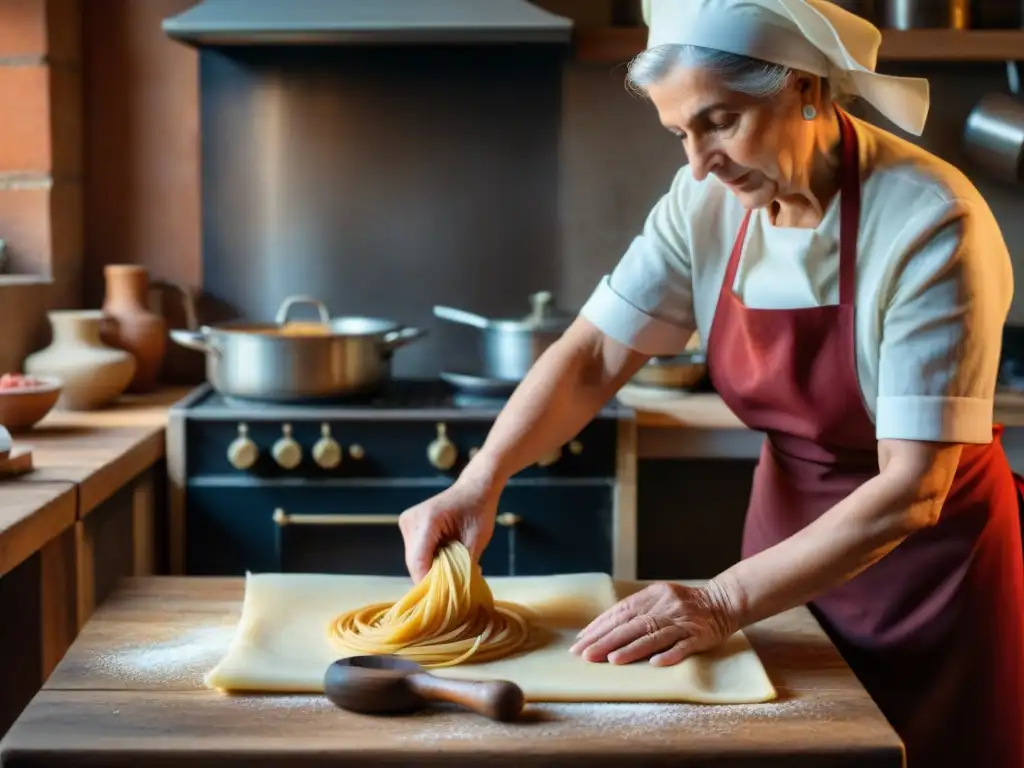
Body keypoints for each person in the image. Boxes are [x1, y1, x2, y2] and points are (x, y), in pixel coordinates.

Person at [398, 0, 1024, 764]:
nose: (698, 163)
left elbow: (914, 487)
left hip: (928, 582)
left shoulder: (931, 221)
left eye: (720, 122)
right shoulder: (704, 199)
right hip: (780, 565)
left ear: (807, 90)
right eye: (678, 134)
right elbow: (594, 353)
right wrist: (480, 479)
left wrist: (723, 599)